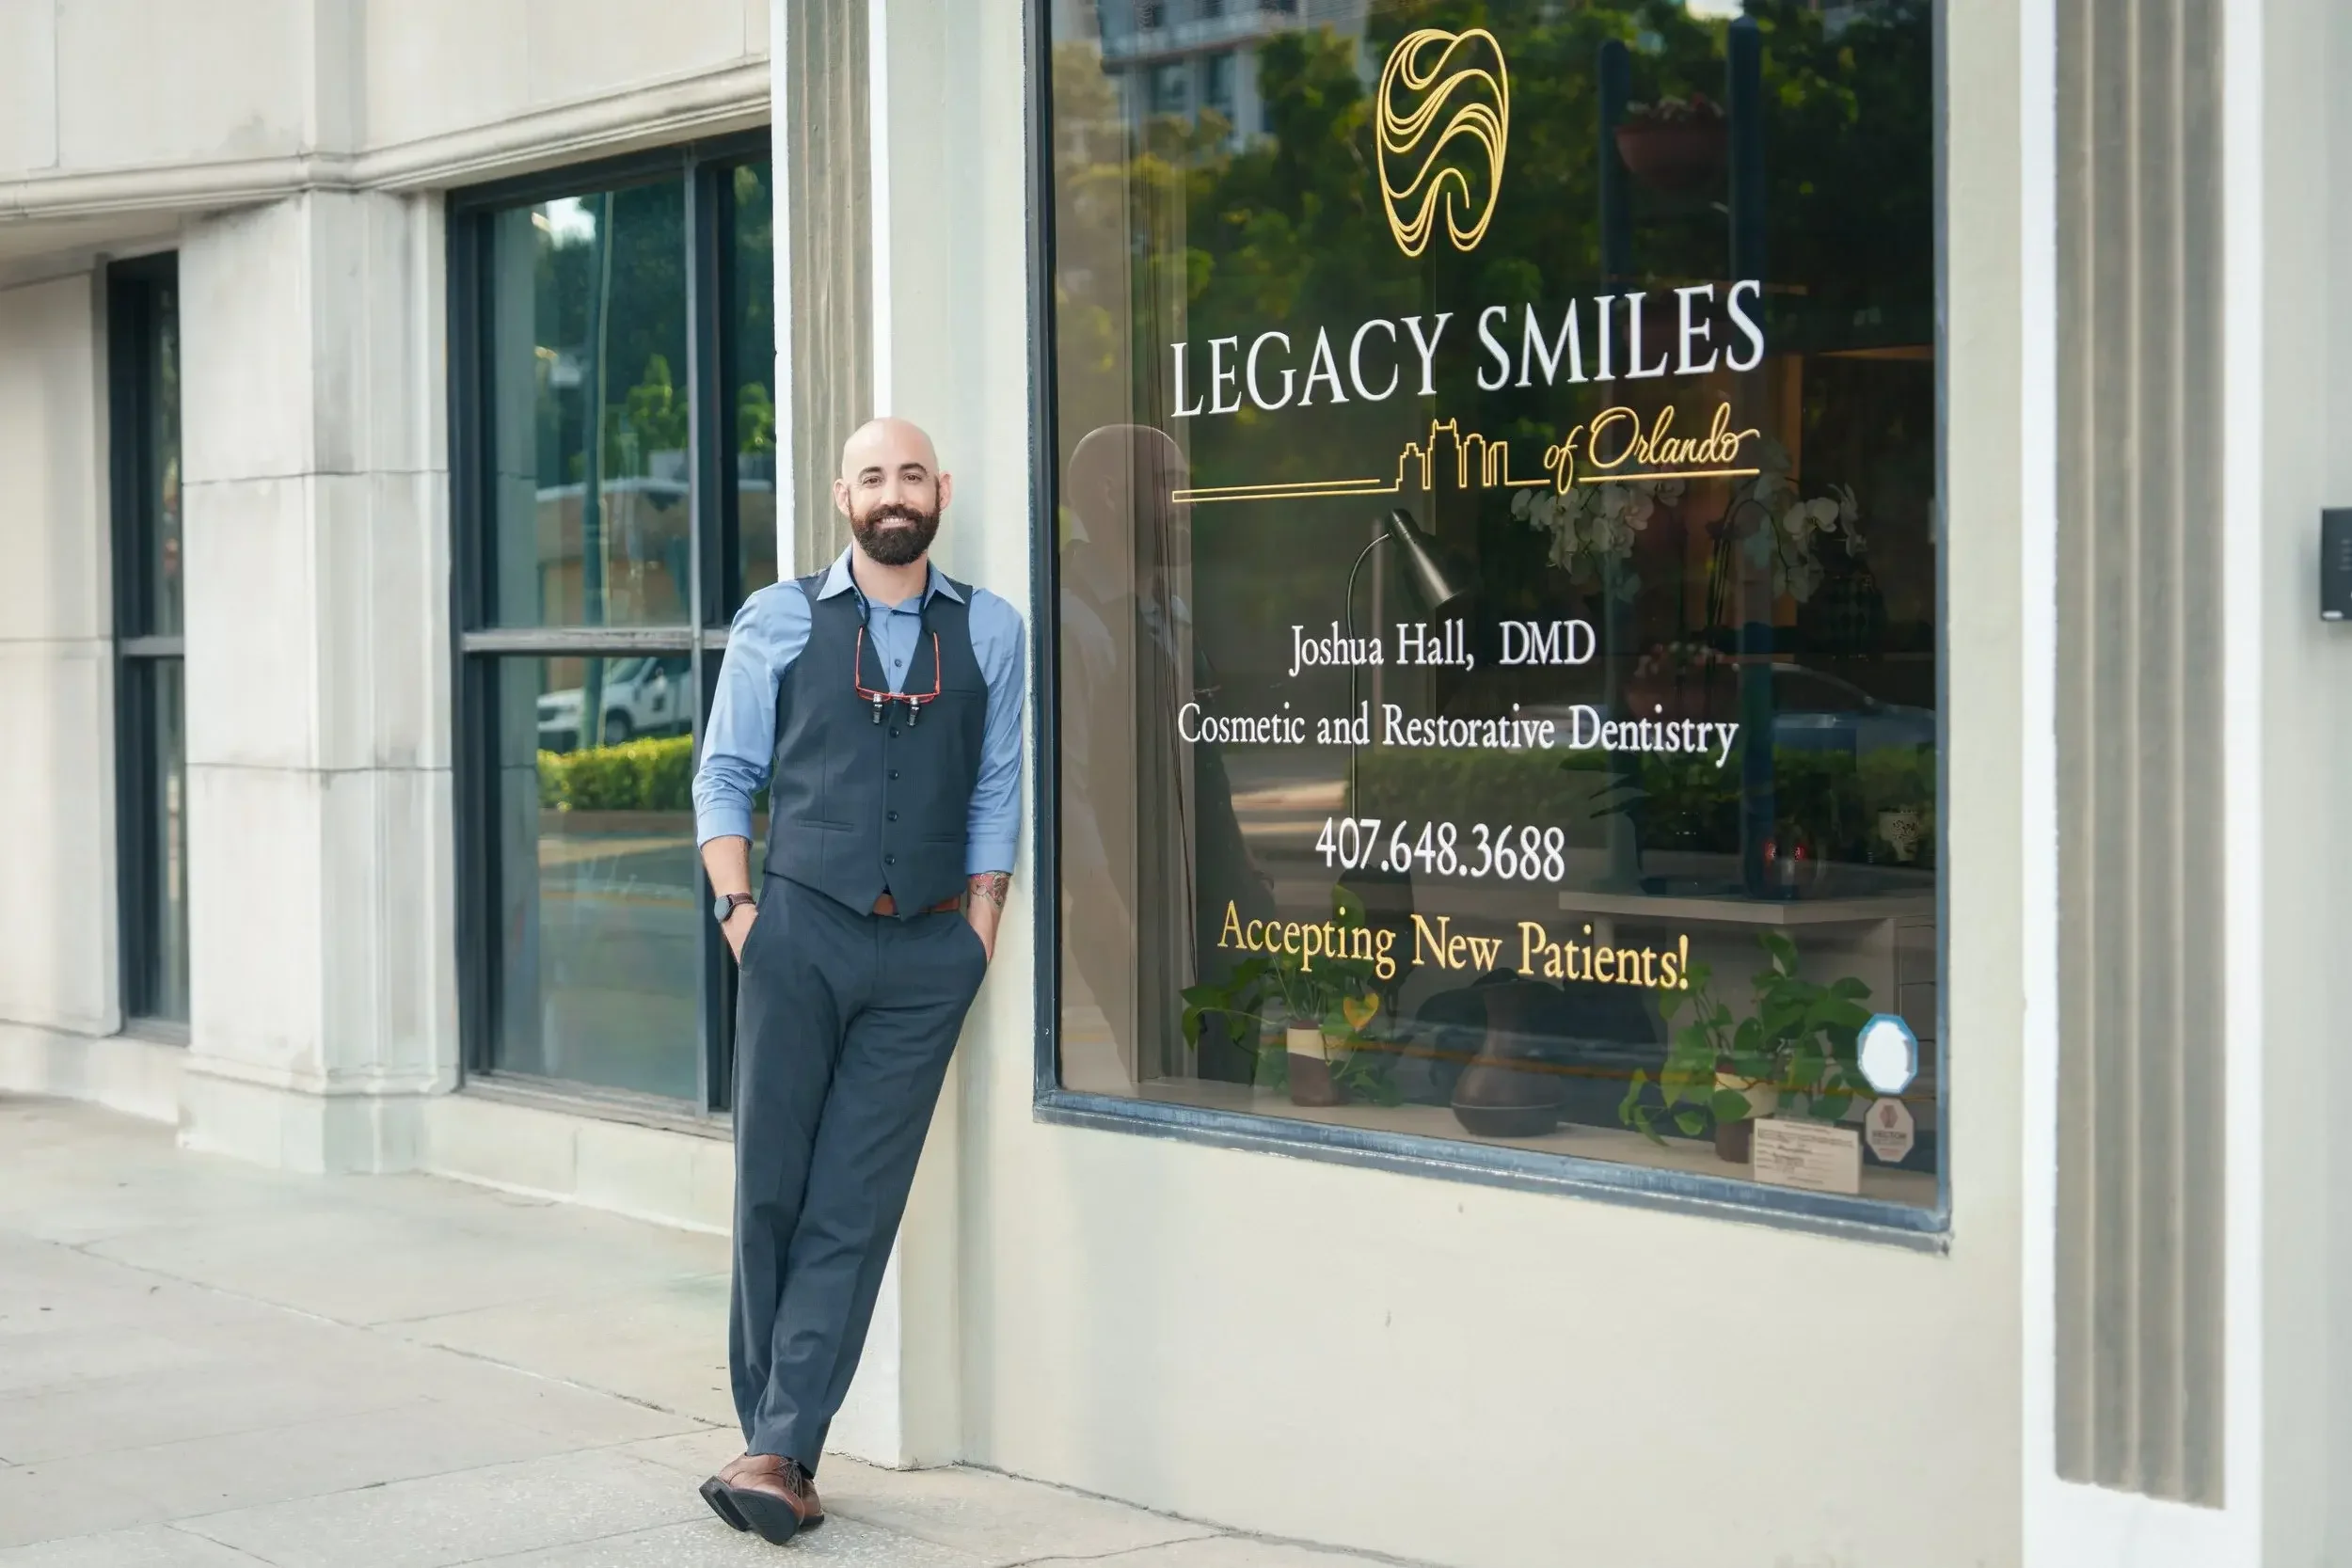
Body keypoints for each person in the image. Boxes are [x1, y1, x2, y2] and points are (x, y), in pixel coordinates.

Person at [689, 417, 1024, 1545]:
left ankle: (777, 1449)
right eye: (874, 474)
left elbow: (995, 787)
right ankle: (774, 1439)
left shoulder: (992, 628)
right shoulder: (777, 616)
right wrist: (742, 912)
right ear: (842, 495)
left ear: (943, 489)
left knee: (855, 1203)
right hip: (796, 932)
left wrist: (978, 928)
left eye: (914, 473)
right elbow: (725, 773)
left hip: (927, 951)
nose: (895, 491)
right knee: (770, 1191)